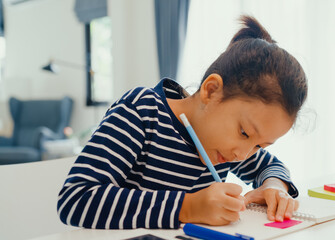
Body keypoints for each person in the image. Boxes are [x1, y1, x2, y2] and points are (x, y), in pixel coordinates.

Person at [57, 15, 308, 230]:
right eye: (244, 133)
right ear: (211, 91)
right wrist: (188, 207)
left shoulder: (230, 148)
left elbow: (271, 167)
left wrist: (274, 187)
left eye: (259, 146)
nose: (242, 154)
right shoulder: (142, 112)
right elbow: (76, 199)